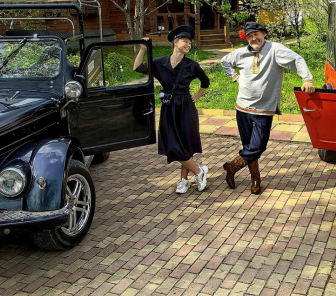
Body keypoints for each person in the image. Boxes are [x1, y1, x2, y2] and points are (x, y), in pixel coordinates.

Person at [220, 22, 316, 194]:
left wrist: (307, 79)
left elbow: (297, 59)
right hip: (242, 107)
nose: (254, 39)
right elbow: (224, 61)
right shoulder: (240, 53)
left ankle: (232, 167)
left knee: (258, 146)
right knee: (249, 146)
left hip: (264, 108)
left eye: (256, 34)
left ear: (263, 34)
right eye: (250, 36)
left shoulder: (275, 49)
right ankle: (255, 179)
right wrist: (235, 76)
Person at [134, 26, 210, 194]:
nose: (188, 44)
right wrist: (142, 49)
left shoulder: (192, 65)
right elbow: (137, 68)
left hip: (186, 107)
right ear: (175, 42)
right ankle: (199, 171)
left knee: (185, 144)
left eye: (190, 42)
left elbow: (205, 82)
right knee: (172, 144)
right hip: (169, 107)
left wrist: (196, 97)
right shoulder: (160, 62)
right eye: (185, 41)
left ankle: (184, 180)